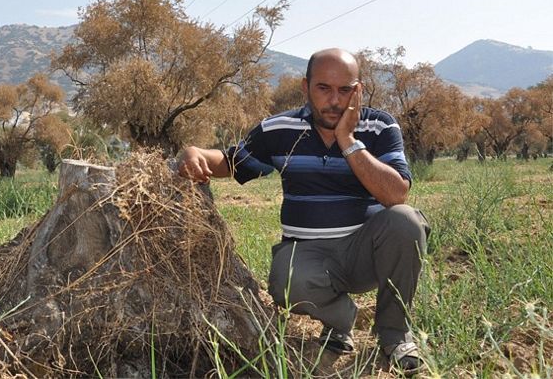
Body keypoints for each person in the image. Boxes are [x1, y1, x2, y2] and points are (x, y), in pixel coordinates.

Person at [177, 48, 429, 376]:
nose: (335, 101)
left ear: (359, 90)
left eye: (345, 90)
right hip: (309, 257)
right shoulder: (279, 129)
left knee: (406, 221)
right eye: (323, 88)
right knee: (285, 280)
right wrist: (195, 152)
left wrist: (348, 140)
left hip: (365, 254)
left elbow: (396, 194)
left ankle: (394, 335)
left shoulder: (379, 126)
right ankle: (341, 322)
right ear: (305, 87)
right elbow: (230, 162)